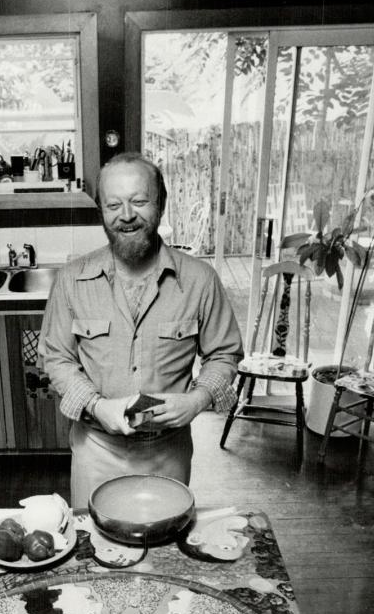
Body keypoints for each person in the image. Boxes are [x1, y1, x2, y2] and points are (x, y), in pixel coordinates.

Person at [39, 153, 243, 508]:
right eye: (113, 204)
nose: (126, 215)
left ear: (160, 204)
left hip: (168, 450)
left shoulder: (200, 280)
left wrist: (196, 400)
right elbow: (57, 357)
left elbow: (224, 355)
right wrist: (96, 405)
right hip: (95, 448)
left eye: (139, 201)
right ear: (101, 211)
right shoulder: (71, 280)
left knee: (162, 546)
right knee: (96, 550)